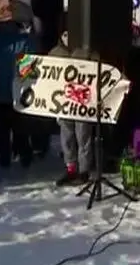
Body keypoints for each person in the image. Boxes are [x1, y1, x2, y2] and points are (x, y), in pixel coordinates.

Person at [0, 13, 35, 168]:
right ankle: (24, 155)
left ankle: (5, 158)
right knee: (21, 126)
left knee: (2, 129)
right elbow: (29, 68)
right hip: (19, 91)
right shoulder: (25, 41)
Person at [50, 29, 94, 186]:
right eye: (64, 34)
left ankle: (84, 170)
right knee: (66, 135)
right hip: (63, 102)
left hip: (82, 102)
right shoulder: (54, 53)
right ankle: (71, 168)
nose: (67, 38)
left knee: (83, 135)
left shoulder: (85, 51)